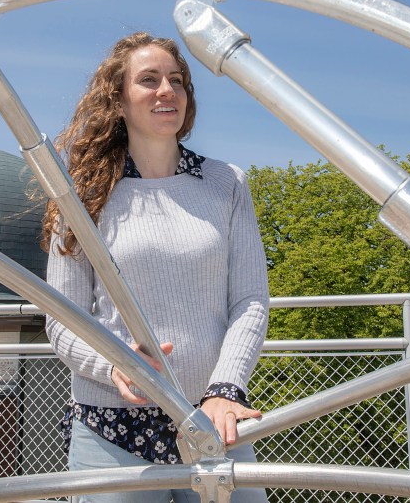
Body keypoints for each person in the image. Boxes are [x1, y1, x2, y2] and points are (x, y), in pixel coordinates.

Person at [41, 31, 270, 503]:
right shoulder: (80, 194)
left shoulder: (226, 183)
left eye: (178, 80)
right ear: (118, 101)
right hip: (111, 428)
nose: (167, 90)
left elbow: (250, 299)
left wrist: (226, 387)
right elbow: (63, 321)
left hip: (213, 421)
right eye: (149, 80)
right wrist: (114, 365)